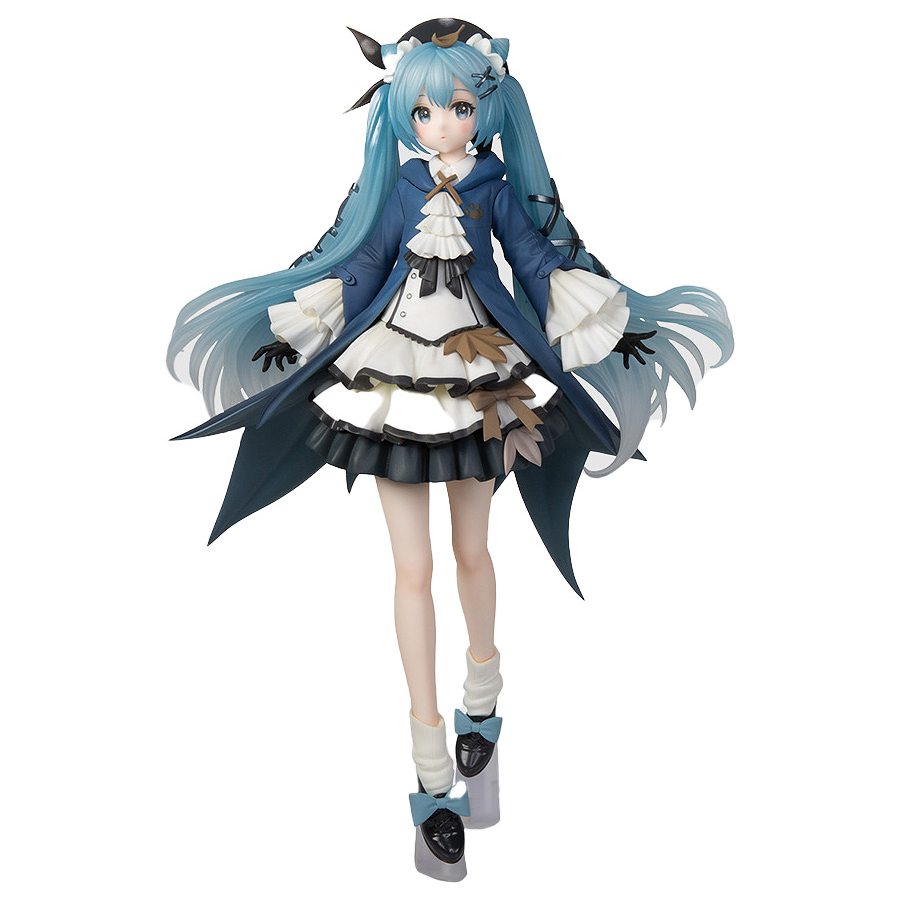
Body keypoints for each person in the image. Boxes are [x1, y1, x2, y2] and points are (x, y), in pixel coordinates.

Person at [167, 18, 733, 881]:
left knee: (473, 550)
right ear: (401, 111)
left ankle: (484, 704)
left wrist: (595, 313)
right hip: (392, 372)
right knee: (412, 570)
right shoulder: (397, 185)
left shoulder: (496, 181)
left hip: (485, 377)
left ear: (488, 107)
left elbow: (533, 258)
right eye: (423, 110)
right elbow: (363, 264)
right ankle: (433, 777)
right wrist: (306, 320)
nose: (440, 125)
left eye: (459, 107)